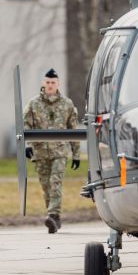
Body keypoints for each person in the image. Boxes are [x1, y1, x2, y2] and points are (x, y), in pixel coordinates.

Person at [23, 68, 80, 233]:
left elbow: (74, 129)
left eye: (53, 83)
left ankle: (53, 215)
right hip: (40, 152)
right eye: (47, 82)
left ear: (58, 84)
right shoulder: (33, 104)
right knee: (46, 186)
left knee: (56, 183)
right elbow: (26, 124)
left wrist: (76, 154)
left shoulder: (67, 104)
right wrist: (27, 145)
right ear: (43, 83)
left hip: (59, 151)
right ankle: (54, 219)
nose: (50, 85)